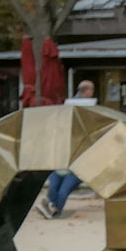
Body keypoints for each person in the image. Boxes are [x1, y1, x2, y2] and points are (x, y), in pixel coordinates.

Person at [41, 81, 99, 217]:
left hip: (70, 168)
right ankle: (53, 210)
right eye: (92, 89)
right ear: (86, 91)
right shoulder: (84, 108)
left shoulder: (71, 107)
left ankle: (53, 210)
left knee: (59, 190)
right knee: (56, 189)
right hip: (66, 167)